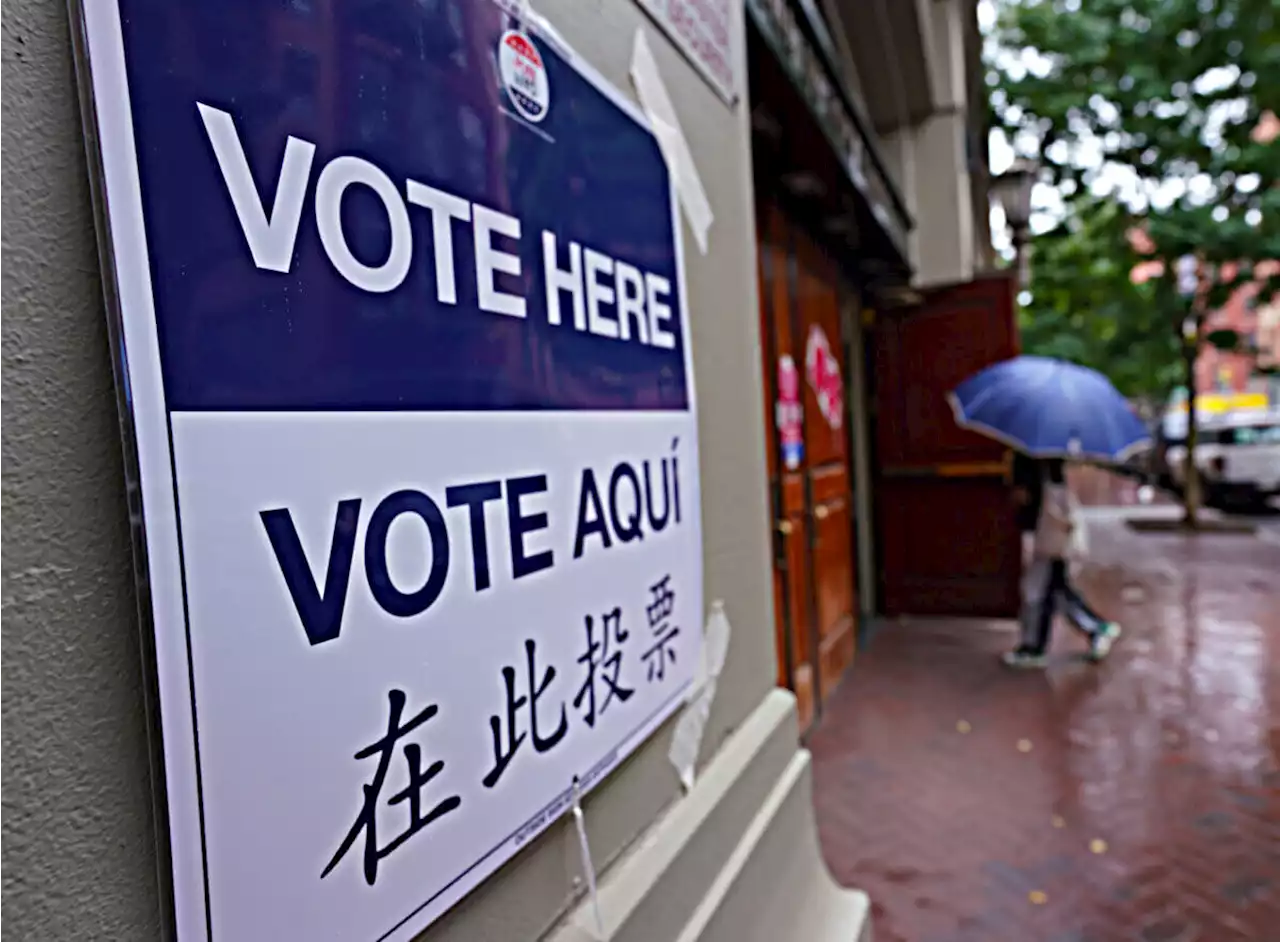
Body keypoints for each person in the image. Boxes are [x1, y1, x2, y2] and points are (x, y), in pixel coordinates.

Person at [1002, 458, 1122, 668]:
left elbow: (1031, 496)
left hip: (1047, 532)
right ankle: (1095, 628)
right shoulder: (1048, 459)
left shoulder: (1034, 460)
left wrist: (1022, 492)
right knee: (1054, 588)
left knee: (1041, 590)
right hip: (1049, 531)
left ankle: (1035, 646)